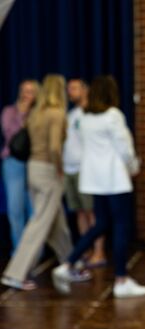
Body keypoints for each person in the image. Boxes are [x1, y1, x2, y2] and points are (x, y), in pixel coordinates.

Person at [52, 75, 145, 298]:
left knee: (101, 224)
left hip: (94, 181)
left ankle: (67, 264)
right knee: (121, 227)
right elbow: (125, 148)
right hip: (114, 179)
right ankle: (122, 280)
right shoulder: (113, 115)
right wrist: (133, 166)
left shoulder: (85, 118)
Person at [1, 75, 74, 290]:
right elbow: (53, 147)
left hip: (33, 169)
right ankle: (15, 272)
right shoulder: (56, 113)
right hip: (47, 170)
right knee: (40, 222)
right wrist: (59, 169)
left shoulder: (36, 114)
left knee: (56, 222)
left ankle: (71, 262)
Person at [63, 78, 106, 267]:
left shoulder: (93, 113)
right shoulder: (71, 114)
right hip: (69, 169)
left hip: (86, 169)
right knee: (80, 212)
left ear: (85, 89)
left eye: (74, 88)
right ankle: (86, 250)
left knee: (92, 212)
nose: (70, 92)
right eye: (68, 89)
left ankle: (99, 252)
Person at [0, 80, 39, 253]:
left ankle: (34, 251)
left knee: (34, 209)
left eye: (31, 91)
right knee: (15, 209)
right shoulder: (9, 111)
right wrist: (22, 115)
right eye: (24, 90)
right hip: (13, 162)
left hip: (34, 162)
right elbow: (10, 133)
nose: (26, 95)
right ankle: (19, 251)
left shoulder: (39, 114)